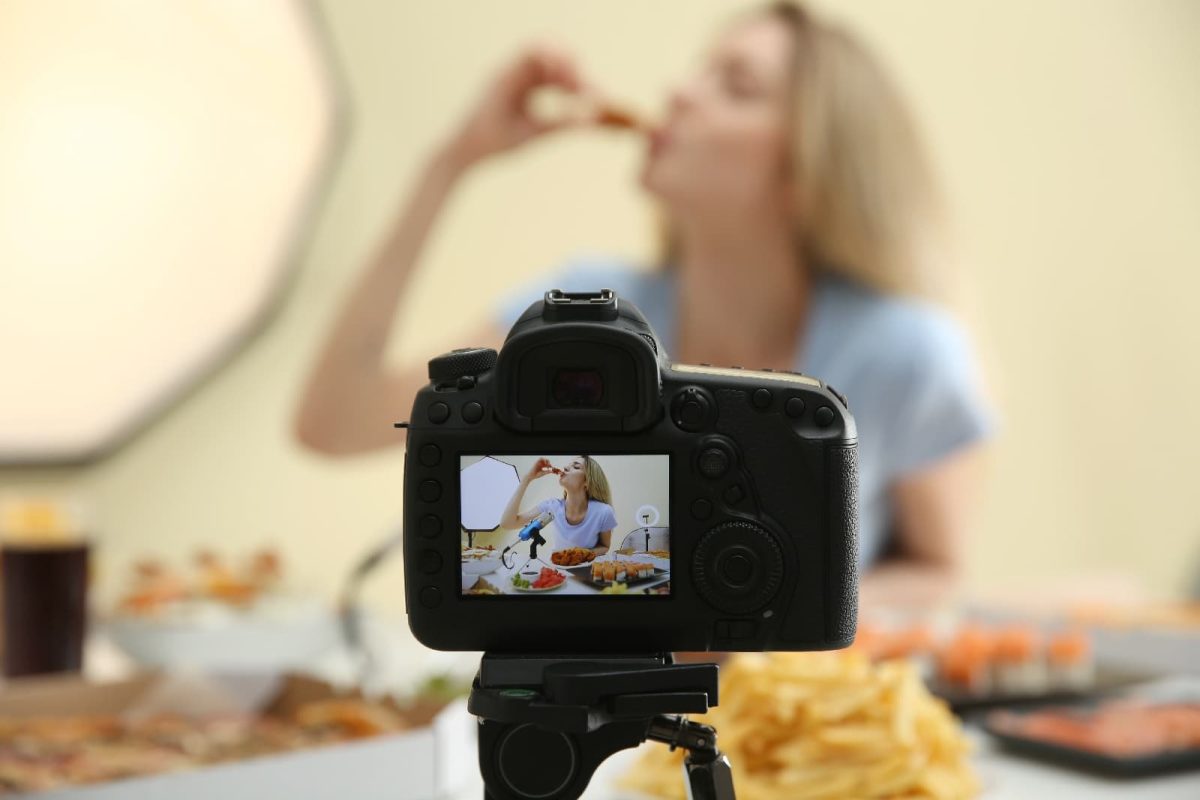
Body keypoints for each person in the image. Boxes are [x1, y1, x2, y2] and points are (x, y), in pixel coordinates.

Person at [295, 2, 993, 610]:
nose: (680, 93)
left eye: (736, 85)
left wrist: (772, 630)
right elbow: (334, 421)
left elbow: (937, 572)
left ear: (812, 165)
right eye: (698, 70)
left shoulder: (904, 351)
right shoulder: (579, 316)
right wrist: (451, 162)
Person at [500, 456, 616, 556]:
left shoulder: (603, 512)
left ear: (587, 482)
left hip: (586, 573)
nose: (565, 468)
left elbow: (605, 546)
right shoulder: (552, 506)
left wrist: (582, 556)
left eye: (576, 467)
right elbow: (507, 523)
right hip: (557, 570)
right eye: (568, 465)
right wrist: (527, 478)